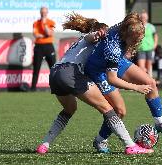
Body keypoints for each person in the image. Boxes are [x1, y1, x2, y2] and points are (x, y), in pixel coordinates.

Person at [36, 13, 154, 155]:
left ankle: (44, 144)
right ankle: (130, 146)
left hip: (55, 74)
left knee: (69, 109)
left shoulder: (80, 42)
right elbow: (92, 37)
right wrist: (98, 35)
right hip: (71, 73)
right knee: (108, 109)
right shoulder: (94, 37)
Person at [85, 13, 162, 154]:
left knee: (150, 82)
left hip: (116, 61)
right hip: (99, 70)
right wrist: (136, 87)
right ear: (127, 34)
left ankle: (159, 123)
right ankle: (100, 140)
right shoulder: (112, 48)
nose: (137, 42)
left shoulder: (128, 24)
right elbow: (112, 79)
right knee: (120, 110)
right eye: (135, 39)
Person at [31, 7, 56, 91]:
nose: (43, 14)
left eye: (45, 12)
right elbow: (36, 35)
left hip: (49, 46)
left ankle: (56, 87)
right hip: (39, 47)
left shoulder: (51, 22)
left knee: (53, 68)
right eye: (42, 12)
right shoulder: (36, 23)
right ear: (40, 13)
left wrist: (45, 24)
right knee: (36, 68)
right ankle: (33, 88)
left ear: (47, 13)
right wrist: (44, 35)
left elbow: (49, 33)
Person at [137, 9, 158, 76]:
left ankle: (149, 80)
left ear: (147, 17)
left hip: (149, 48)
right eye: (142, 17)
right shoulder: (138, 26)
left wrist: (155, 45)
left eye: (145, 17)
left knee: (149, 66)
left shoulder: (151, 27)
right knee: (141, 67)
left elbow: (155, 36)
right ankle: (144, 79)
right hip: (141, 48)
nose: (143, 18)